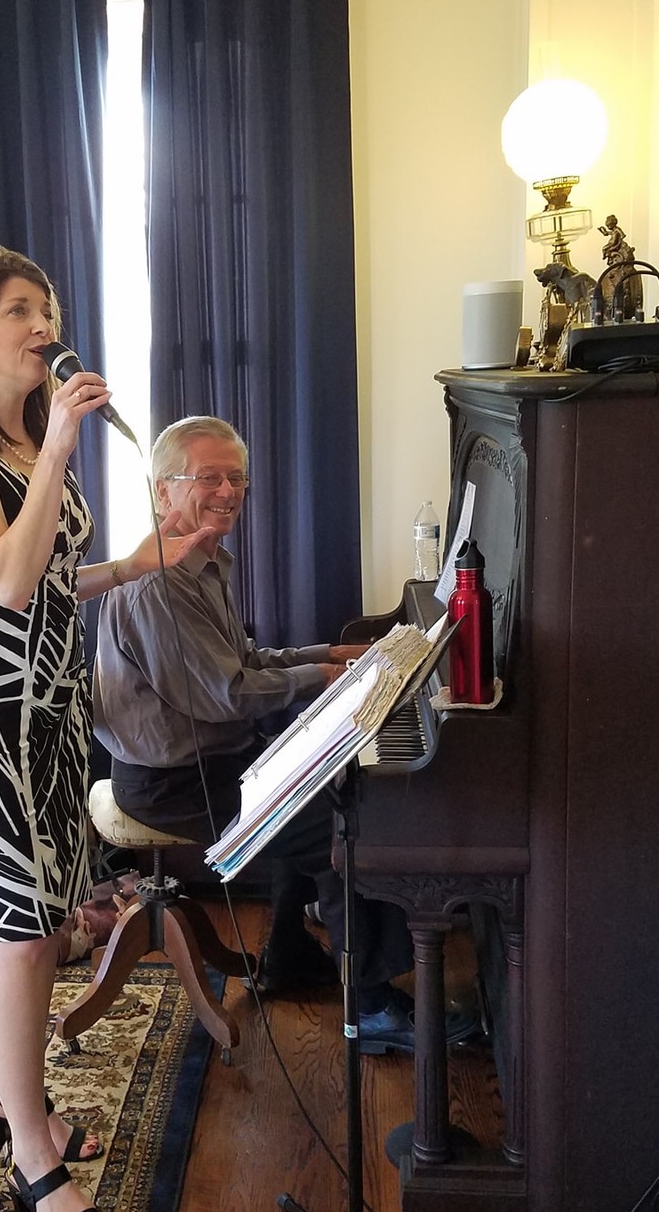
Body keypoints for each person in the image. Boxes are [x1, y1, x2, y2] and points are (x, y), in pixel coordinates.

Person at [0, 249, 214, 1212]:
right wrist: (60, 448)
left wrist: (132, 564)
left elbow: (52, 575)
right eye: (21, 309)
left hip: (52, 709)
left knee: (46, 920)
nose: (45, 325)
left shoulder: (29, 437)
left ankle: (14, 1098)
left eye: (48, 308)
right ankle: (32, 1154)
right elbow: (1, 578)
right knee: (22, 927)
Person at [93, 415, 420, 1055]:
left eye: (237, 479)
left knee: (327, 787)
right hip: (171, 782)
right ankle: (374, 1008)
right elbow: (228, 694)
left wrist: (330, 655)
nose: (227, 492)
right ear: (163, 490)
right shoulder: (160, 584)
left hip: (212, 759)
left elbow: (242, 661)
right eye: (208, 478)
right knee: (340, 828)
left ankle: (288, 957)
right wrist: (325, 676)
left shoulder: (204, 561)